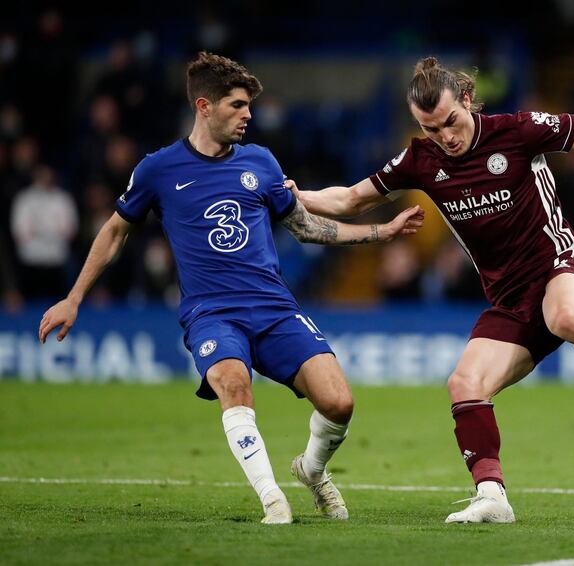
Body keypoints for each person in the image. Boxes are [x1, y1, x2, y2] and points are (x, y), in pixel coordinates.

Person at [290, 57, 574, 524]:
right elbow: (351, 198)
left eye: (450, 123)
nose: (446, 137)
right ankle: (492, 496)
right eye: (430, 128)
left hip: (559, 264)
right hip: (510, 298)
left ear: (466, 101)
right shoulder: (421, 159)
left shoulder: (516, 131)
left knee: (563, 316)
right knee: (464, 384)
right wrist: (292, 195)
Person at [38, 52, 424, 525]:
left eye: (249, 106)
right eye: (237, 106)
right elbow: (115, 231)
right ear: (204, 106)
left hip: (274, 308)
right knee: (234, 386)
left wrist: (380, 233)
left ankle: (312, 470)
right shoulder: (159, 170)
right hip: (212, 313)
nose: (248, 115)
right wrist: (73, 297)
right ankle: (272, 501)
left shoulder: (260, 162)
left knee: (339, 403)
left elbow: (305, 227)